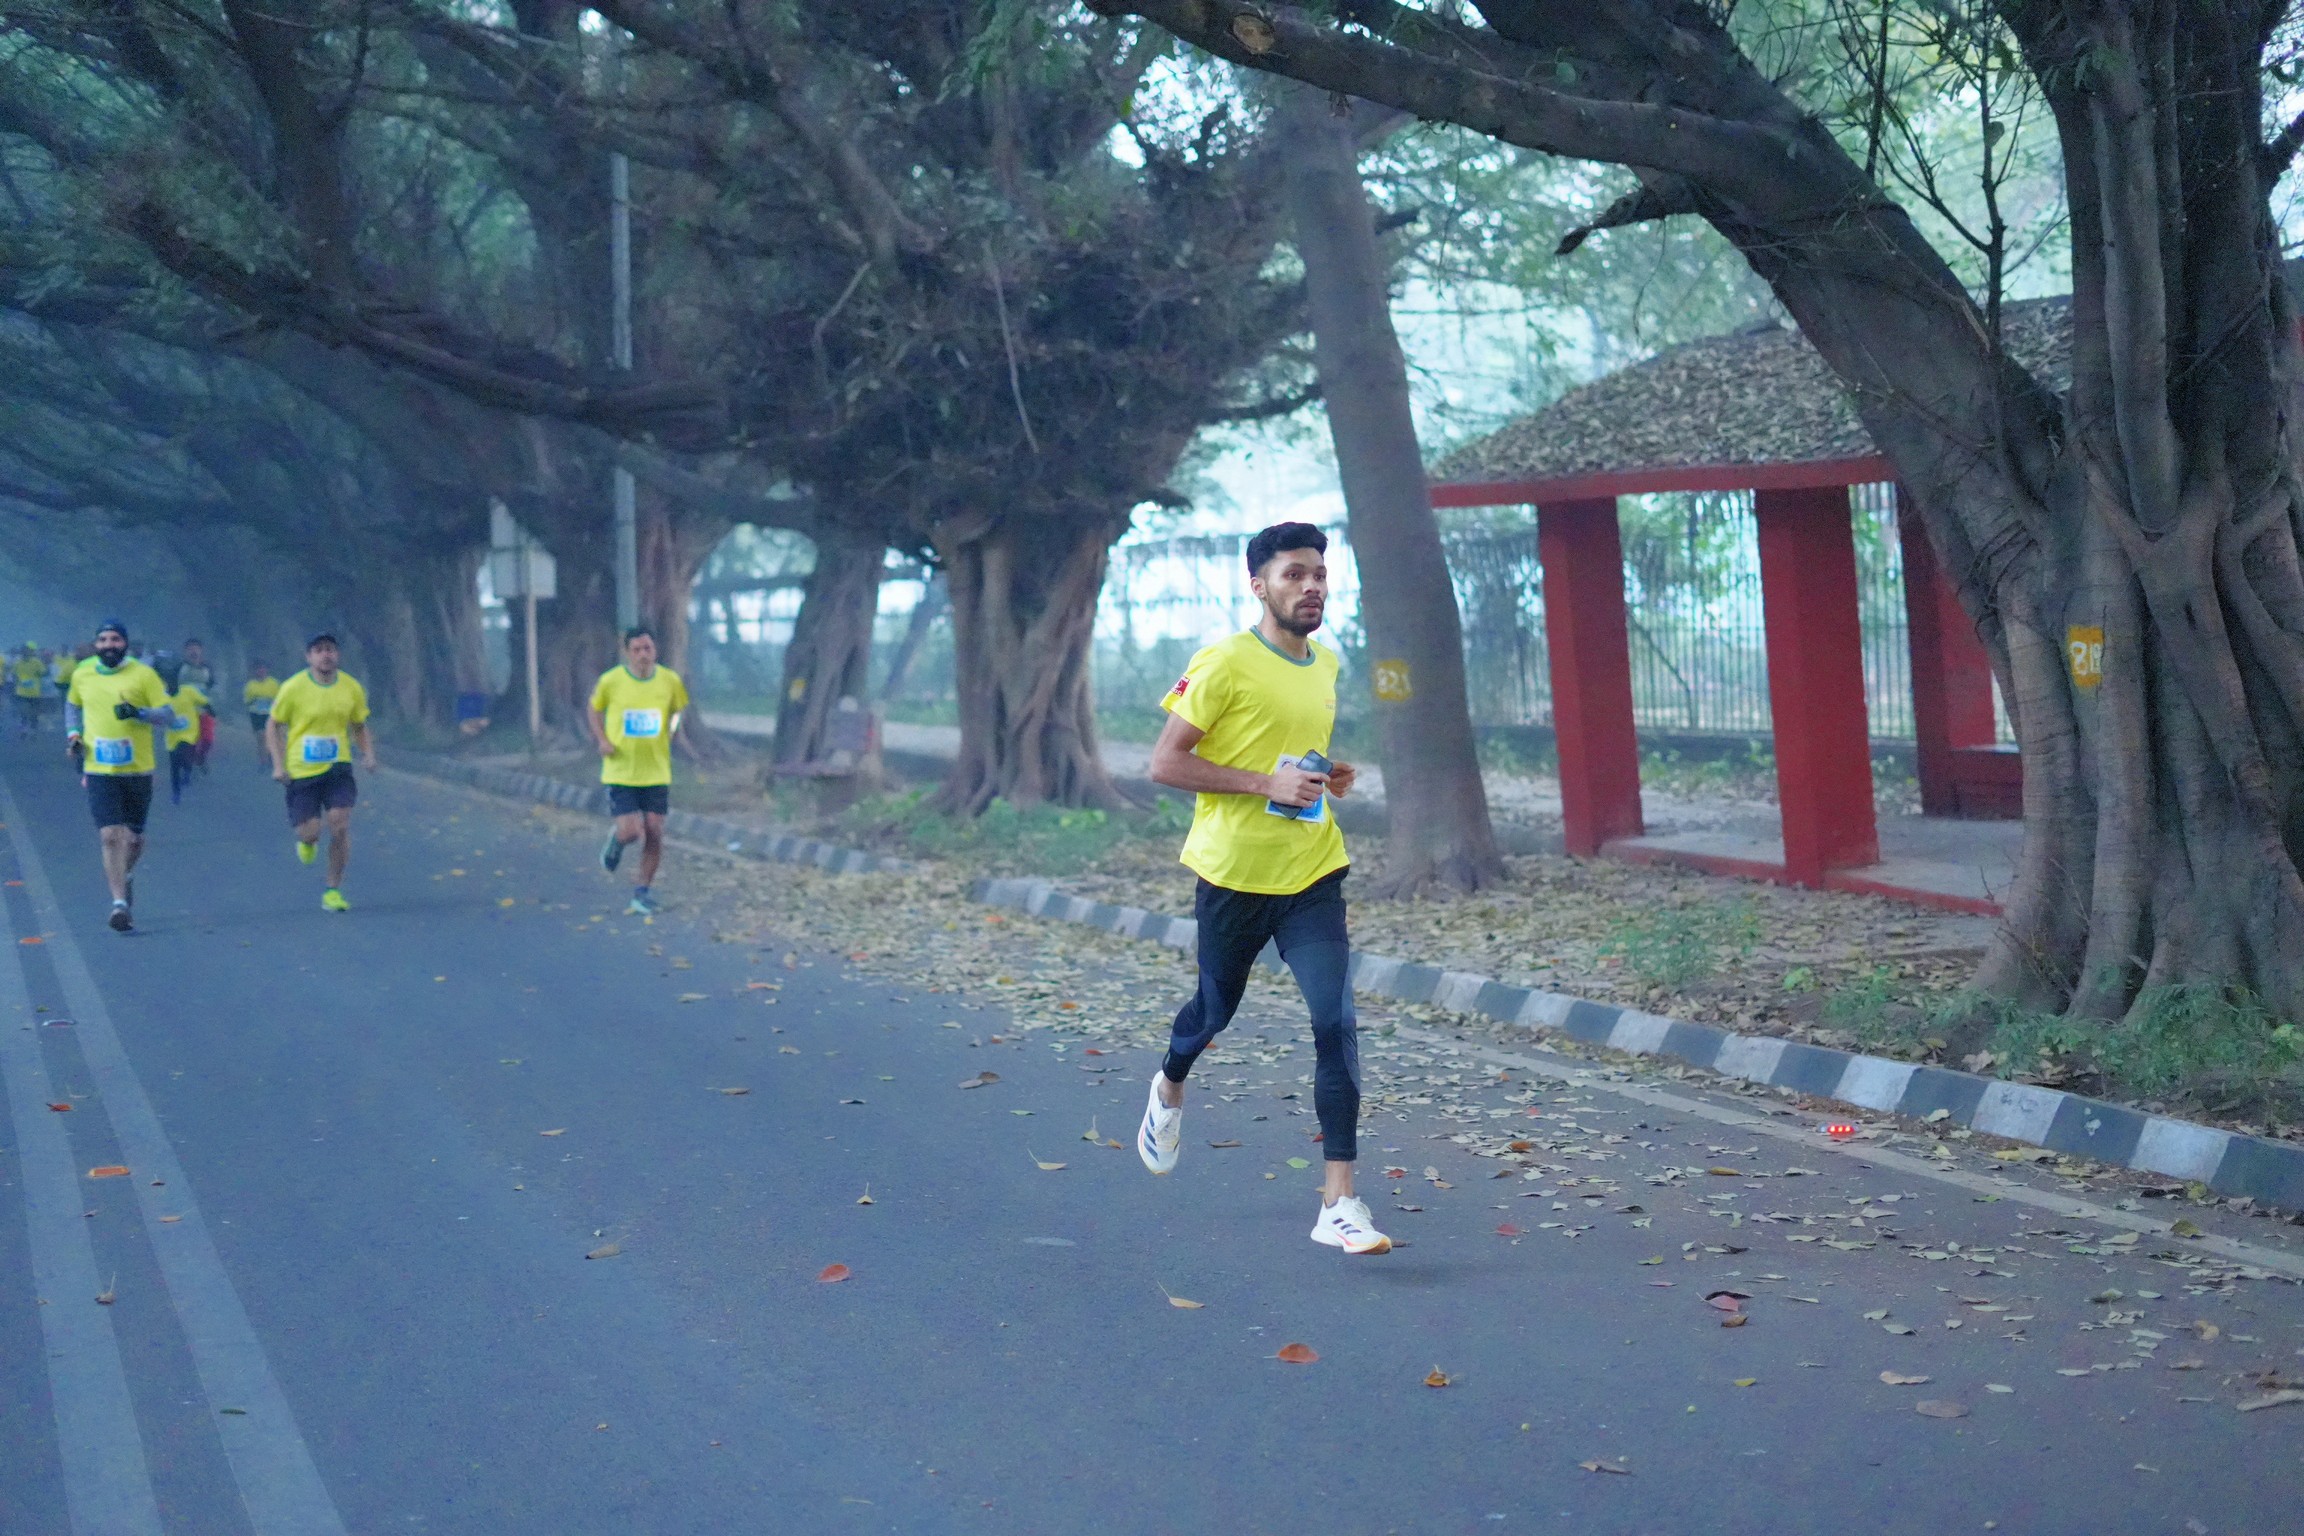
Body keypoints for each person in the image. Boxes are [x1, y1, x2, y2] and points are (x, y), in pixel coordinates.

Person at [1138, 522, 1388, 1256]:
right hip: (1233, 878)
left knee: (1334, 1021)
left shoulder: (1326, 663)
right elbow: (1164, 763)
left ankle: (1339, 1202)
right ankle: (1170, 1083)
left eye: (1319, 574)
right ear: (1259, 586)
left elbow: (1282, 747)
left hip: (1312, 872)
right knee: (1214, 1012)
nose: (1311, 586)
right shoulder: (1222, 663)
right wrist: (1263, 784)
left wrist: (1325, 774)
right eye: (1293, 574)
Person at [63, 620, 172, 933]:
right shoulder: (83, 672)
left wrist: (139, 713)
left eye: (115, 639)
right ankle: (119, 904)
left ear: (125, 643)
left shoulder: (143, 674)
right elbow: (72, 705)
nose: (108, 645)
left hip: (137, 768)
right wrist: (74, 735)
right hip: (98, 768)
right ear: (96, 644)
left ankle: (125, 875)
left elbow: (168, 714)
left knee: (134, 838)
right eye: (103, 640)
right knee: (110, 835)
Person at [586, 626, 691, 916]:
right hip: (621, 771)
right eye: (637, 650)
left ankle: (642, 893)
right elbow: (593, 709)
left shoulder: (669, 681)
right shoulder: (611, 681)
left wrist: (672, 733)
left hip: (656, 771)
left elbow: (678, 710)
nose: (643, 655)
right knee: (632, 831)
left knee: (655, 831)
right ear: (627, 653)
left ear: (655, 650)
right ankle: (617, 841)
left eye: (648, 649)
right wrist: (602, 740)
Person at [266, 634, 375, 913]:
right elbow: (274, 724)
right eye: (319, 651)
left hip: (338, 766)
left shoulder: (351, 687)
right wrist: (278, 764)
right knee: (310, 832)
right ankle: (307, 842)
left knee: (339, 824)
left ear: (337, 655)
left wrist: (368, 754)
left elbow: (359, 724)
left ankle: (332, 890)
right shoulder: (293, 688)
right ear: (309, 657)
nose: (326, 655)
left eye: (331, 650)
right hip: (302, 771)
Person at [162, 667, 209, 805]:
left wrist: (210, 709)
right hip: (172, 736)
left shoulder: (188, 691)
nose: (171, 684)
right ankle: (176, 792)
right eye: (168, 681)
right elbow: (155, 713)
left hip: (189, 733)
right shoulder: (161, 697)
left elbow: (204, 701)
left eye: (173, 681)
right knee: (174, 765)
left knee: (183, 753)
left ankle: (188, 770)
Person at [178, 639, 217, 772]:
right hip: (186, 710)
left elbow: (212, 686)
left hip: (204, 707)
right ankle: (188, 766)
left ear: (201, 651)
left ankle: (201, 757)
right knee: (190, 739)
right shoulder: (179, 667)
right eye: (190, 649)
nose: (193, 652)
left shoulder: (207, 668)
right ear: (185, 651)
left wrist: (212, 704)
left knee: (208, 738)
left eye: (196, 649)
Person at [243, 659, 280, 772]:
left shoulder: (274, 683)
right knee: (261, 737)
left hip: (270, 713)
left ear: (267, 670)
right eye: (258, 669)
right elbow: (247, 701)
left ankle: (270, 755)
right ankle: (263, 762)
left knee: (270, 736)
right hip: (256, 714)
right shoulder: (250, 685)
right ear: (255, 671)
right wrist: (255, 699)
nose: (261, 671)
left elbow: (279, 698)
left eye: (263, 668)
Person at [11, 643, 46, 738]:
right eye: (23, 651)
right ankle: (23, 730)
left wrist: (37, 676)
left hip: (34, 692)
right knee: (23, 712)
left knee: (34, 714)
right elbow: (14, 675)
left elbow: (43, 673)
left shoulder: (36, 662)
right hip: (21, 692)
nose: (25, 653)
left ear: (30, 652)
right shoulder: (17, 663)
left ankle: (33, 730)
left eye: (27, 651)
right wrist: (16, 684)